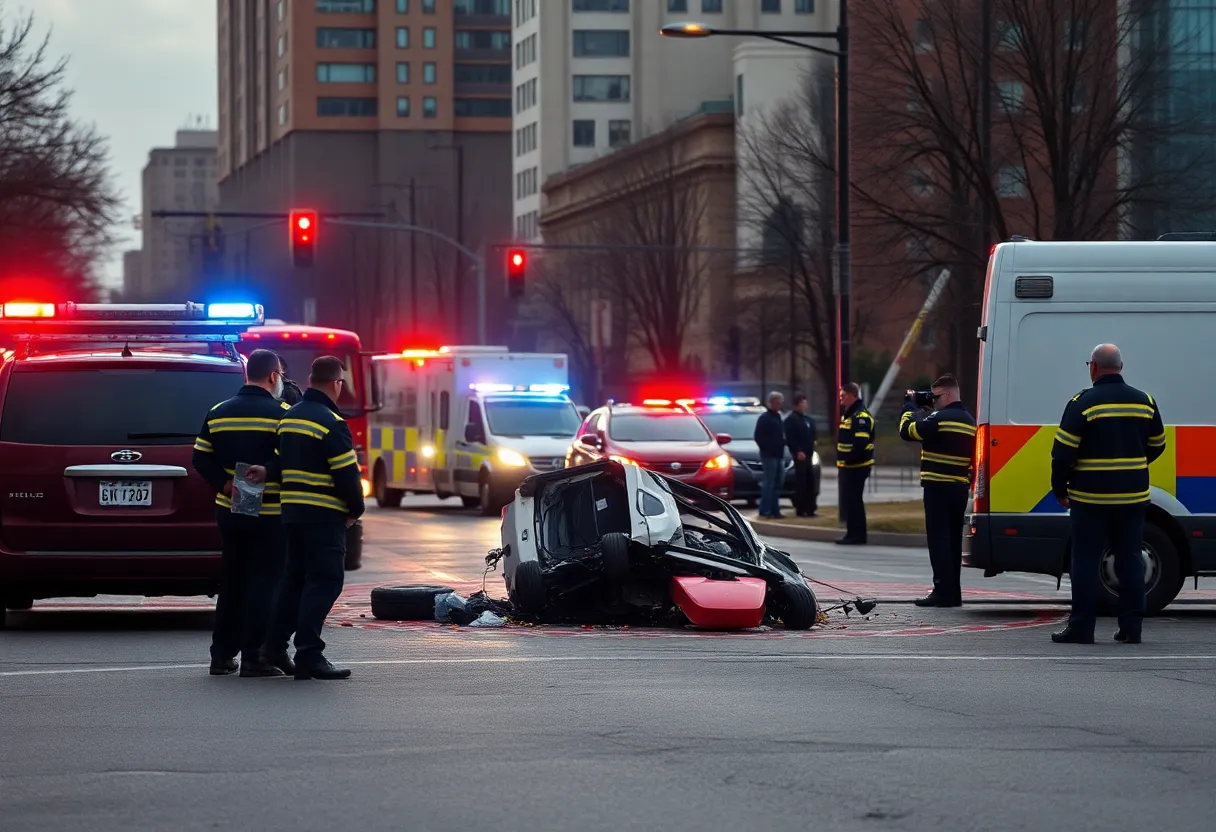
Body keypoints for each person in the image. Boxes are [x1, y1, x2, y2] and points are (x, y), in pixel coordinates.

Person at [1049, 344, 1165, 645]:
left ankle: (1082, 627)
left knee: (1086, 560)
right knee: (1130, 558)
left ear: (1093, 368)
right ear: (1121, 367)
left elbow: (1062, 453)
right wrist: (1133, 466)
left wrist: (1060, 488)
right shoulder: (1145, 402)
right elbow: (1158, 445)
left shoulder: (1083, 403)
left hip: (1091, 499)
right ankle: (1131, 627)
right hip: (1132, 497)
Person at [261, 356, 366, 679]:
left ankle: (274, 647)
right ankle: (309, 653)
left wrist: (264, 472)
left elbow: (279, 462)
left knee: (294, 582)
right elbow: (346, 475)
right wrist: (355, 510)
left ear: (310, 380)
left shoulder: (290, 417)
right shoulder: (331, 422)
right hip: (324, 516)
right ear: (337, 384)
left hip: (292, 514)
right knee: (326, 581)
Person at [191, 349, 291, 678]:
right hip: (270, 513)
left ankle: (221, 656)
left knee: (233, 581)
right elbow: (292, 457)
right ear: (273, 376)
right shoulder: (284, 414)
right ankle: (255, 657)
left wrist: (224, 484)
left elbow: (200, 457)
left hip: (231, 512)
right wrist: (269, 470)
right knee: (265, 583)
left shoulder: (218, 412)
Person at [898, 374, 976, 607]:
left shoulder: (939, 419)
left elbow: (906, 431)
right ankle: (954, 593)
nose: (933, 401)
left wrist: (909, 408)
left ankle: (942, 591)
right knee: (953, 541)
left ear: (948, 394)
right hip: (959, 488)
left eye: (936, 397)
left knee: (939, 540)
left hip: (937, 488)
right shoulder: (969, 421)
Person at [836, 383, 874, 545]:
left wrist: (848, 459)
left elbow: (860, 443)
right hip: (849, 466)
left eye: (843, 396)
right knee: (850, 501)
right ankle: (851, 533)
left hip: (857, 467)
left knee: (854, 501)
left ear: (853, 395)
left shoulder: (861, 417)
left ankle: (857, 535)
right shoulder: (850, 415)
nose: (841, 399)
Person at [753, 391, 787, 519]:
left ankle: (775, 510)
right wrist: (767, 448)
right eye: (778, 402)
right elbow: (758, 436)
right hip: (769, 456)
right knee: (769, 483)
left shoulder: (778, 417)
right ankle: (765, 509)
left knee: (778, 482)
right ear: (772, 402)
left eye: (781, 402)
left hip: (779, 454)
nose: (780, 404)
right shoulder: (765, 418)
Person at [784, 393, 818, 518]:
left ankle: (811, 508)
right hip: (800, 456)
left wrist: (814, 442)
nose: (805, 405)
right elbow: (790, 438)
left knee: (811, 481)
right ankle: (801, 508)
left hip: (809, 454)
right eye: (803, 403)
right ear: (797, 405)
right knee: (801, 482)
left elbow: (813, 433)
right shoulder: (791, 420)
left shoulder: (807, 419)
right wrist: (797, 451)